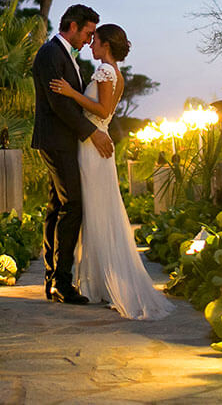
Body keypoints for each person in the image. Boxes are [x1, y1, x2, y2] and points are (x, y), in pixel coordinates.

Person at [50, 23, 175, 320]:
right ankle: (101, 283)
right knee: (98, 212)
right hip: (95, 145)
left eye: (95, 41)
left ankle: (109, 283)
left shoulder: (106, 72)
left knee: (98, 213)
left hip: (93, 147)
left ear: (106, 45)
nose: (90, 45)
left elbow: (103, 110)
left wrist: (70, 92)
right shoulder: (112, 72)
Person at [31, 4, 114, 305]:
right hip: (57, 140)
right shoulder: (51, 53)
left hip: (63, 140)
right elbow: (59, 104)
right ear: (74, 26)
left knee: (58, 206)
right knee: (73, 205)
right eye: (88, 33)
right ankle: (62, 283)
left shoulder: (63, 54)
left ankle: (54, 280)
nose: (89, 40)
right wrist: (91, 133)